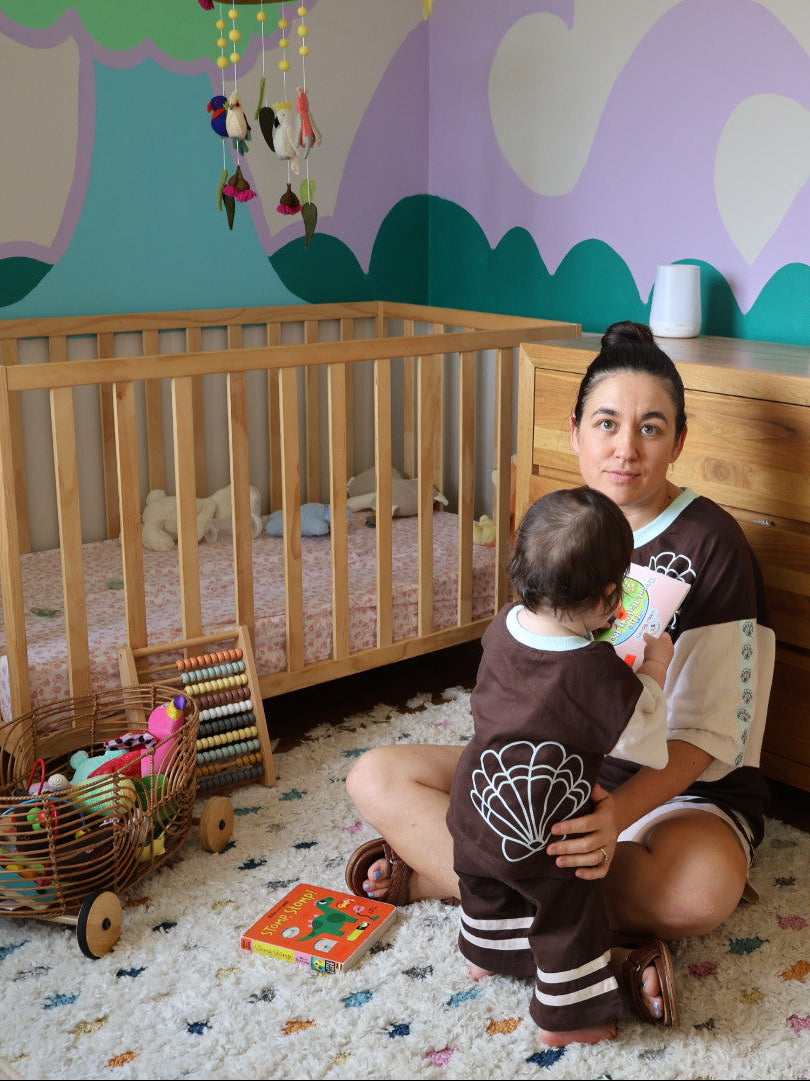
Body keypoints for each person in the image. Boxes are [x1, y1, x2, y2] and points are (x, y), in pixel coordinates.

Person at [344, 320, 775, 1027]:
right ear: (576, 430)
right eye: (607, 422)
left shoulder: (713, 543)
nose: (625, 447)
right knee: (374, 774)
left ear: (679, 440)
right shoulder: (558, 526)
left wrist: (616, 819)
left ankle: (450, 885)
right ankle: (579, 932)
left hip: (675, 791)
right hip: (551, 771)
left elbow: (711, 734)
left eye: (651, 427)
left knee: (701, 891)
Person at [447, 485, 674, 1047]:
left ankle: (489, 955)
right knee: (571, 908)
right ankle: (568, 1020)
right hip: (547, 830)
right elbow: (642, 736)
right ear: (609, 597)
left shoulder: (503, 625)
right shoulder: (596, 671)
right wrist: (656, 669)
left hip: (476, 798)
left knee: (484, 879)